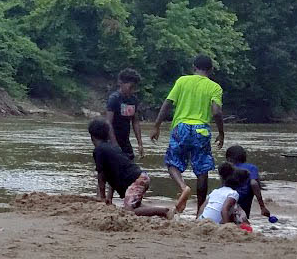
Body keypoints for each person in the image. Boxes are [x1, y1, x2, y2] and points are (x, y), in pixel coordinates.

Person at [150, 54, 226, 214]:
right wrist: (221, 133)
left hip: (181, 127)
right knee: (202, 170)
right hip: (201, 130)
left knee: (172, 162)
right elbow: (217, 112)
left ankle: (183, 187)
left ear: (193, 68)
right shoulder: (215, 87)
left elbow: (167, 104)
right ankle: (200, 212)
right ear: (211, 70)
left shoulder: (182, 81)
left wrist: (157, 126)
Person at [88, 119, 173, 219]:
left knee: (129, 210)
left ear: (92, 137)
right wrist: (109, 198)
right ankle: (161, 212)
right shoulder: (112, 148)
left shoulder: (99, 150)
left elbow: (101, 177)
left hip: (137, 180)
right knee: (135, 205)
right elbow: (110, 176)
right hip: (141, 177)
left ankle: (165, 211)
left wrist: (102, 198)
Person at [223, 145, 276, 221]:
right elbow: (254, 183)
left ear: (228, 158)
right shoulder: (251, 168)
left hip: (226, 199)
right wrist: (262, 207)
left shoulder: (227, 168)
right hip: (244, 200)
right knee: (243, 222)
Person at [105, 68, 144, 159]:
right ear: (120, 83)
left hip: (125, 141)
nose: (132, 90)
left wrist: (140, 143)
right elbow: (108, 123)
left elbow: (135, 122)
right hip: (111, 140)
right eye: (130, 87)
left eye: (134, 88)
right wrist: (114, 144)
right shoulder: (114, 99)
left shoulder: (133, 100)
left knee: (129, 164)